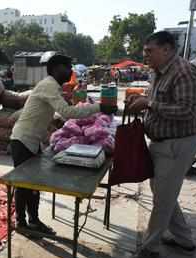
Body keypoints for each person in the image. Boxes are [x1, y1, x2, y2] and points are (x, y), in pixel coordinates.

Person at [10, 54, 118, 235]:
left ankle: (34, 220)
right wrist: (100, 107)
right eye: (67, 67)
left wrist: (57, 122)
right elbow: (68, 112)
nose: (70, 71)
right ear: (56, 68)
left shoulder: (52, 86)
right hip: (22, 140)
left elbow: (49, 111)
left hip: (32, 140)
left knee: (33, 184)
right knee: (24, 185)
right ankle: (21, 223)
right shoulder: (49, 85)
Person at [126, 31, 196, 258]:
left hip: (176, 145)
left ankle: (150, 247)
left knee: (162, 200)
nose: (145, 55)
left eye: (150, 50)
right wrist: (142, 103)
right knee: (164, 194)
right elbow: (160, 103)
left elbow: (188, 111)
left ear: (167, 49)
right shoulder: (158, 72)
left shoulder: (184, 71)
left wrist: (149, 103)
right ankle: (184, 239)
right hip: (161, 144)